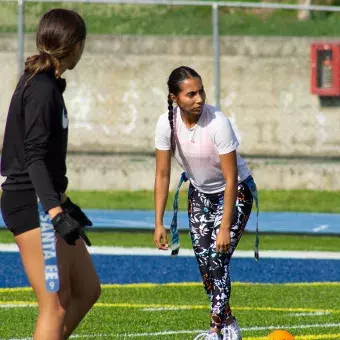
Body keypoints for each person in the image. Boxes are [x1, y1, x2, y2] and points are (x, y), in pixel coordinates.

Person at [0, 9, 101, 340]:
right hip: (32, 203)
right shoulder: (42, 88)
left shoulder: (47, 85)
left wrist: (63, 202)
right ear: (75, 46)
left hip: (48, 199)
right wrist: (56, 213)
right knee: (54, 305)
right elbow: (34, 158)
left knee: (87, 289)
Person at [153, 66, 258, 340]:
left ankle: (216, 330)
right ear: (174, 98)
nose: (199, 99)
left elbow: (231, 177)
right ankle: (230, 322)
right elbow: (162, 174)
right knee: (205, 266)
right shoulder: (166, 123)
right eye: (191, 94)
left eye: (201, 91)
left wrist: (224, 227)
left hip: (234, 192)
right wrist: (158, 222)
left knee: (217, 257)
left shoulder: (218, 123)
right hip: (199, 194)